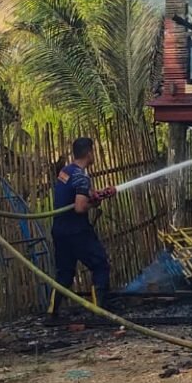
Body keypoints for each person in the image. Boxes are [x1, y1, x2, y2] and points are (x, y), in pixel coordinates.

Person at [46, 137, 117, 326]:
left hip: (60, 230)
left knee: (64, 273)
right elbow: (79, 207)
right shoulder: (82, 176)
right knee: (100, 264)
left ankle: (52, 314)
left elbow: (75, 195)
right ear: (89, 153)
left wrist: (97, 195)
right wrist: (92, 202)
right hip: (77, 231)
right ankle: (98, 311)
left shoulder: (66, 172)